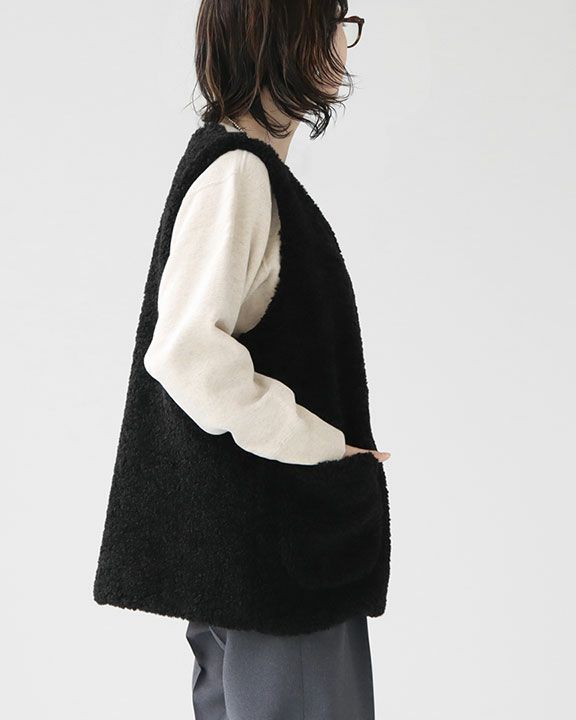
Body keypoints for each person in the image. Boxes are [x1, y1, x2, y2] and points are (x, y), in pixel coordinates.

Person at [93, 2, 392, 719]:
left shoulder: (236, 167)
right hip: (282, 565)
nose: (343, 41)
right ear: (288, 35)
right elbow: (186, 350)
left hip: (256, 560)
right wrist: (321, 446)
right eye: (334, 20)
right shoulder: (238, 176)